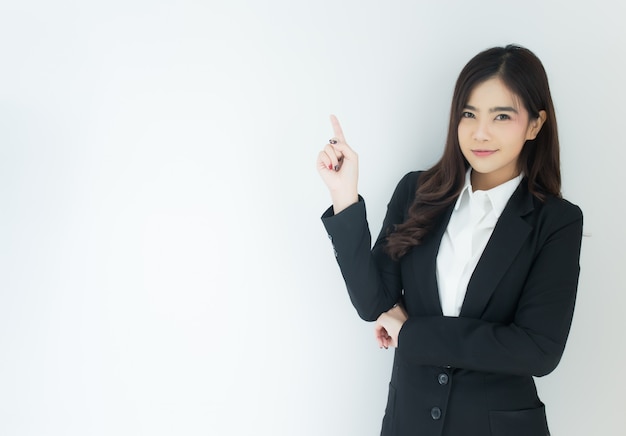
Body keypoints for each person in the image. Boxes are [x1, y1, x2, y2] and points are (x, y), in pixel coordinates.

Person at [316, 45, 583, 436]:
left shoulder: (556, 222)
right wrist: (344, 197)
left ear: (535, 124)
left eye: (502, 116)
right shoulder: (416, 192)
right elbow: (373, 302)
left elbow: (537, 350)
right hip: (407, 423)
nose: (480, 132)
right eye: (469, 114)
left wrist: (412, 333)